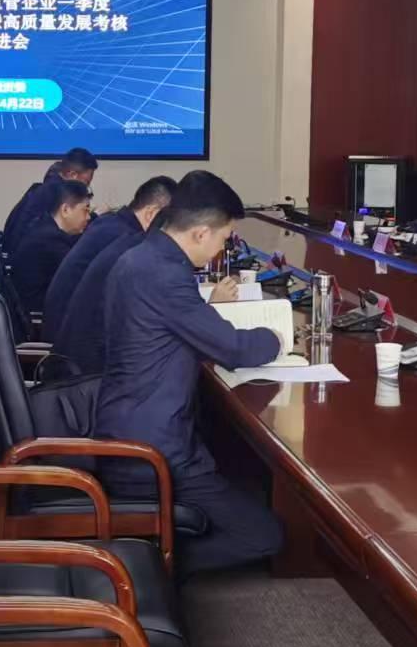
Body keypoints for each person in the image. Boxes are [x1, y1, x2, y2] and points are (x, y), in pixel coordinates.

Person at [92, 170, 285, 578]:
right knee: (264, 535)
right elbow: (235, 349)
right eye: (223, 239)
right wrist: (278, 337)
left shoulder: (142, 257)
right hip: (149, 453)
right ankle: (141, 570)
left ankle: (151, 547)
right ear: (200, 233)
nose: (221, 250)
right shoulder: (164, 274)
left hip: (126, 425)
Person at [45, 174, 176, 336]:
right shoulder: (124, 238)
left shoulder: (112, 223)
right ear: (151, 213)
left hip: (71, 325)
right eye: (170, 222)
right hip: (73, 333)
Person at [9, 179, 92, 314]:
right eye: (85, 210)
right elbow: (80, 278)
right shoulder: (50, 241)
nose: (88, 217)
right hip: (38, 315)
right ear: (65, 210)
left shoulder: (44, 227)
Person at [3, 148, 98, 254]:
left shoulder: (45, 190)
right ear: (72, 175)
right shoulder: (55, 195)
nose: (86, 188)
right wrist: (96, 217)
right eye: (86, 183)